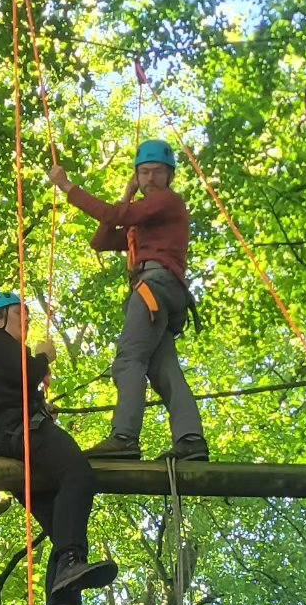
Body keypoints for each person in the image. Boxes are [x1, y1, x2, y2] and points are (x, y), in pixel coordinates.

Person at [0, 291, 118, 605]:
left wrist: (39, 404)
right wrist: (43, 357)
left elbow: (11, 386)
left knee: (63, 525)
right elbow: (22, 373)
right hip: (15, 431)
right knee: (78, 476)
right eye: (21, 314)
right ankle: (70, 563)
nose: (27, 321)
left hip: (11, 432)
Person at [49, 140, 207, 461]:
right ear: (136, 176)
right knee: (164, 369)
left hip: (154, 287)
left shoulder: (167, 201)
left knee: (128, 361)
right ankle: (191, 440)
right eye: (144, 172)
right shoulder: (146, 222)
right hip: (164, 294)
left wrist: (67, 187)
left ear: (169, 176)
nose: (150, 178)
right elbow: (101, 240)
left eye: (157, 172)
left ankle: (124, 438)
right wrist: (127, 195)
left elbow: (114, 215)